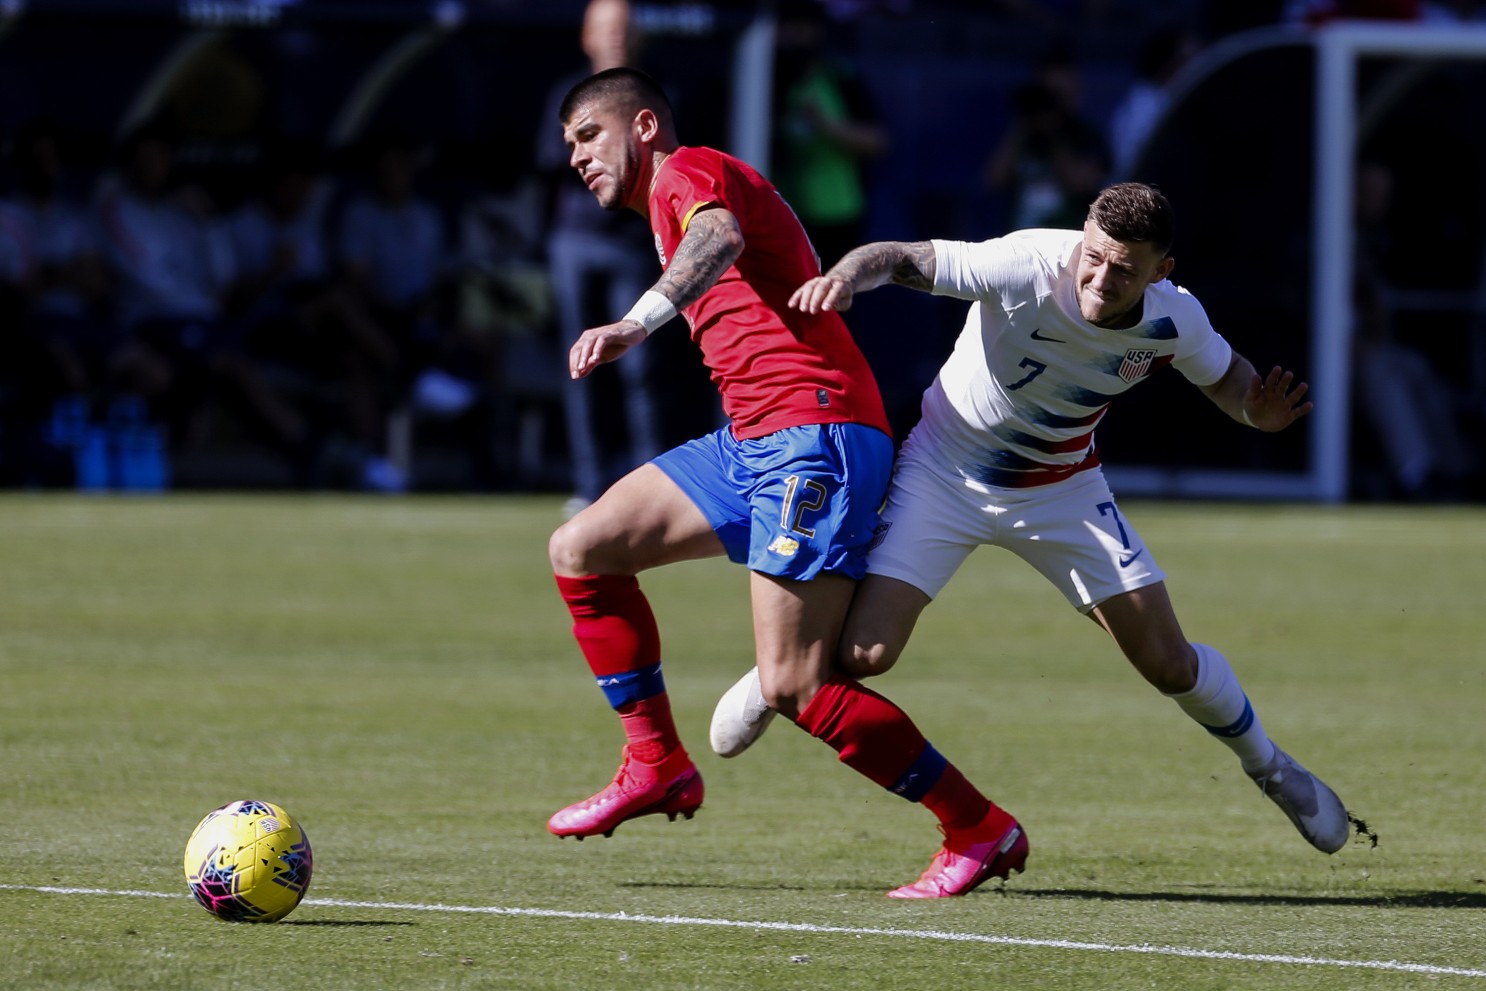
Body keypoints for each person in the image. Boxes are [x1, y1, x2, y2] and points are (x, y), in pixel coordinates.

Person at [712, 182, 1353, 856]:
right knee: (863, 655)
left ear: (1161, 272)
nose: (1101, 278)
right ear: (1083, 236)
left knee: (1167, 662)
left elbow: (1228, 378)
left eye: (1125, 269)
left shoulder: (1176, 319)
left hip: (1062, 488)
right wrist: (845, 275)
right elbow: (899, 256)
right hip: (944, 475)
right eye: (1096, 256)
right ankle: (774, 670)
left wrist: (1257, 412)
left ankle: (1272, 767)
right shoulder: (1025, 263)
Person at [546, 66, 1027, 899]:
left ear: (646, 125)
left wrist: (636, 321)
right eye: (570, 147)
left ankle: (978, 827)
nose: (578, 158)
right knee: (583, 547)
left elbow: (721, 238)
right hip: (752, 441)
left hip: (813, 434)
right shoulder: (668, 196)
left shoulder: (686, 171)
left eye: (589, 135)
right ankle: (655, 761)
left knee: (796, 684)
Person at [537, 0, 664, 517]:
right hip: (576, 244)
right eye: (606, 28)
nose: (616, 37)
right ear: (587, 37)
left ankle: (653, 484)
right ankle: (592, 485)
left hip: (634, 248)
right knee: (582, 367)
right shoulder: (565, 97)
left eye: (625, 27)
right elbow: (552, 167)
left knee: (644, 368)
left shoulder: (657, 100)